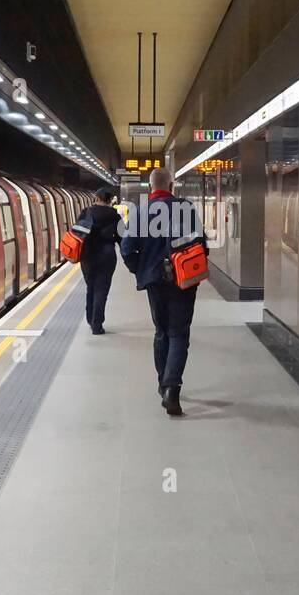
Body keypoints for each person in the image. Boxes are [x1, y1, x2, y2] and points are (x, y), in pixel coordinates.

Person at [120, 167, 203, 417]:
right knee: (179, 334)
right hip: (184, 280)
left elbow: (126, 249)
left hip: (154, 281)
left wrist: (141, 270)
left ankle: (162, 382)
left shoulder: (141, 212)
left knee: (161, 331)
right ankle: (172, 390)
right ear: (171, 185)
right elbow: (201, 244)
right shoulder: (186, 208)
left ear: (150, 187)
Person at [80, 188, 121, 335]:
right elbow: (122, 238)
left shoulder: (86, 212)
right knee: (101, 290)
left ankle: (90, 319)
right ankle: (97, 324)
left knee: (90, 287)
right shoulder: (115, 215)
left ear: (96, 198)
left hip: (87, 256)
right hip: (107, 255)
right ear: (110, 200)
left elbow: (78, 232)